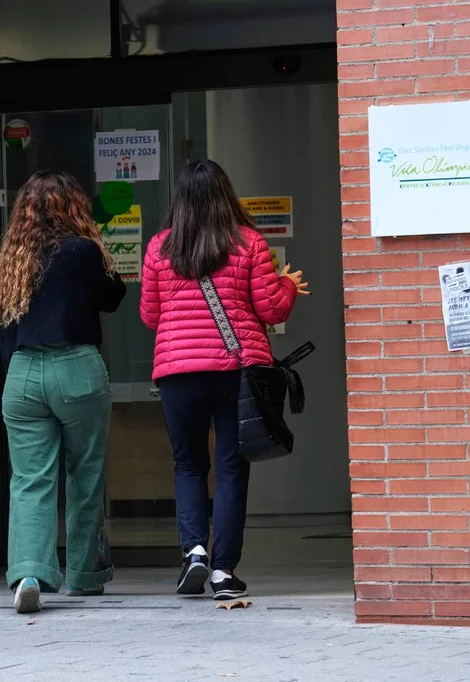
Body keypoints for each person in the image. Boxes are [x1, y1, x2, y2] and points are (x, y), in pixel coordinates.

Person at [139, 160, 309, 601]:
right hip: (234, 371)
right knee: (233, 468)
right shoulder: (248, 242)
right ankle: (223, 571)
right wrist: (287, 285)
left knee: (189, 464)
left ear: (181, 200)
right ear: (224, 195)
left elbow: (150, 315)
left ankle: (194, 552)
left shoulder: (159, 247)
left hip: (178, 372)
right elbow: (271, 310)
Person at [0, 170, 127, 614]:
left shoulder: (13, 256)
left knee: (29, 479)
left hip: (22, 374)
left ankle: (28, 572)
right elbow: (114, 296)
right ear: (73, 208)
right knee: (84, 474)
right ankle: (83, 575)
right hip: (76, 367)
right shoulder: (83, 250)